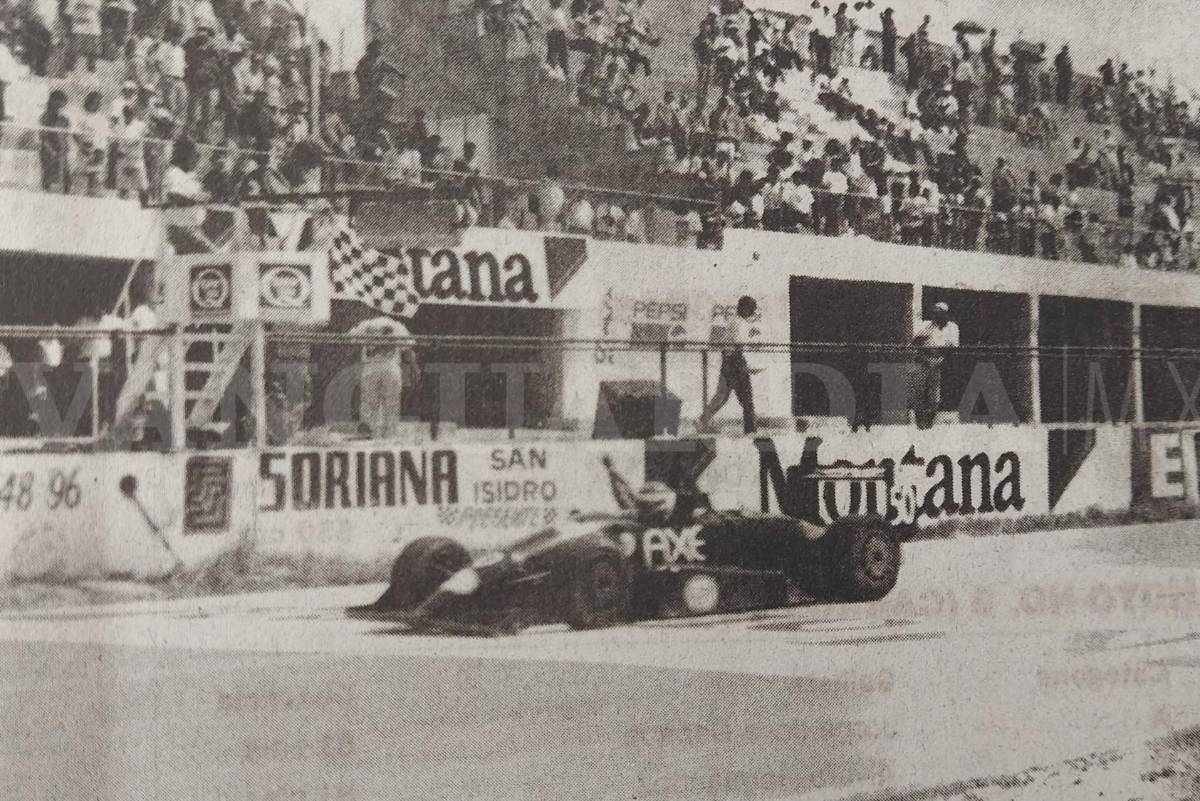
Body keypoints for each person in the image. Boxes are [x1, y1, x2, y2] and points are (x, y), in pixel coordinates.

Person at [699, 295, 759, 434]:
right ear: (744, 308)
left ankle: (702, 420)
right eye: (751, 309)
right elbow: (738, 345)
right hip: (734, 362)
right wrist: (745, 365)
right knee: (743, 397)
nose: (752, 312)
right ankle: (750, 430)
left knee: (723, 396)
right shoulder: (738, 323)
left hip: (730, 360)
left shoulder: (736, 321)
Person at [912, 301, 959, 429]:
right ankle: (919, 423)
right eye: (935, 312)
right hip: (924, 360)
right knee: (919, 392)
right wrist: (928, 331)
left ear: (946, 314)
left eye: (940, 313)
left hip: (941, 362)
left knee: (935, 396)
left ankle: (929, 422)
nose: (937, 315)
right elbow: (915, 342)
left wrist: (941, 359)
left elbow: (953, 347)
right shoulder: (926, 325)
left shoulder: (952, 327)